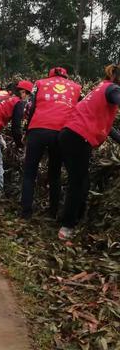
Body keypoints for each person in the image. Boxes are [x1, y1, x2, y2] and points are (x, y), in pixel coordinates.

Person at [58, 64, 120, 240]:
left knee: (82, 181)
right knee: (78, 183)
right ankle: (67, 227)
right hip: (78, 137)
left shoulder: (100, 89)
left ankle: (74, 221)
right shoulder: (113, 89)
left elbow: (108, 128)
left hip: (70, 135)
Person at [20, 67, 82, 219]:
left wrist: (26, 130)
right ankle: (53, 212)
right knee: (54, 174)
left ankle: (26, 212)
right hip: (61, 132)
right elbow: (80, 110)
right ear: (65, 76)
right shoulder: (76, 87)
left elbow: (29, 107)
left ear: (50, 75)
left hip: (38, 129)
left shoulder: (40, 83)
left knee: (29, 172)